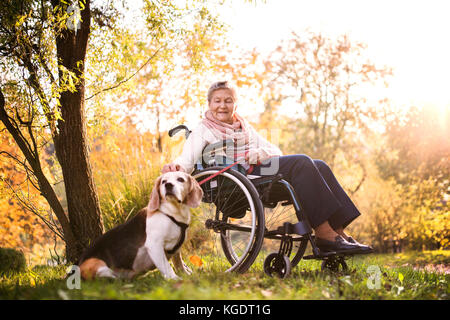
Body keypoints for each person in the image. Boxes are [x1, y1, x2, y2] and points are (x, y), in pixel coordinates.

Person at [163, 81, 372, 254]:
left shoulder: (244, 127)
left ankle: (338, 232)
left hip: (259, 169)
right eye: (217, 101)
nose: (222, 106)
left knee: (320, 165)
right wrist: (177, 168)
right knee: (302, 162)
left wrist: (260, 154)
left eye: (228, 101)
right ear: (209, 104)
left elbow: (275, 149)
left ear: (235, 105)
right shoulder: (203, 130)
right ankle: (325, 233)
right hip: (238, 177)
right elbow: (187, 159)